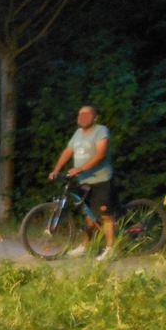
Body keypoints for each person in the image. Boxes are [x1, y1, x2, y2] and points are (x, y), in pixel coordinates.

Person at [49, 104, 116, 260]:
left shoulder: (101, 131)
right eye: (80, 115)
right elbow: (67, 152)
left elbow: (101, 154)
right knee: (88, 215)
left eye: (87, 115)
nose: (83, 118)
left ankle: (111, 249)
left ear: (94, 117)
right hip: (84, 181)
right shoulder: (78, 133)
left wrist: (80, 168)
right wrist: (56, 170)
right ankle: (85, 247)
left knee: (106, 215)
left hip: (101, 179)